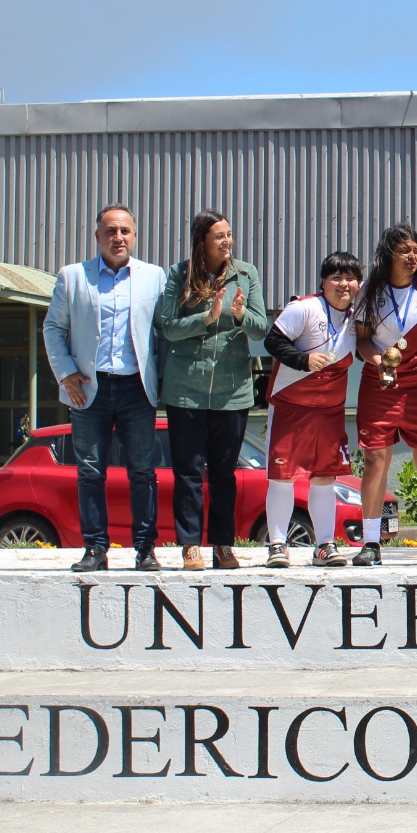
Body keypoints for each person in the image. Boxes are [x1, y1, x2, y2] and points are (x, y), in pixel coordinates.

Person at [42, 205, 166, 573]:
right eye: (110, 231)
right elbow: (53, 328)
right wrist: (65, 374)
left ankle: (145, 549)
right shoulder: (73, 276)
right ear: (98, 236)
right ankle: (95, 548)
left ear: (135, 236)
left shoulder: (153, 277)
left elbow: (163, 333)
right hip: (88, 387)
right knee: (90, 471)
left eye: (125, 231)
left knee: (143, 472)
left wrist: (163, 381)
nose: (118, 238)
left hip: (136, 388)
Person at [156, 209, 269, 571]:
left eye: (229, 234)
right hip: (185, 389)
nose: (227, 241)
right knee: (187, 472)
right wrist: (205, 318)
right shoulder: (180, 273)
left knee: (223, 473)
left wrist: (238, 315)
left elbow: (261, 327)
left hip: (231, 390)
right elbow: (168, 327)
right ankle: (190, 546)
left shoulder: (246, 273)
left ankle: (222, 545)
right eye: (219, 236)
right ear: (202, 240)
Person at [352, 225, 417, 567]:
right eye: (404, 251)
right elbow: (362, 341)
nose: (412, 257)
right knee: (376, 460)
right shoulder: (370, 290)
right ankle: (370, 544)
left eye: (416, 250)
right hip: (380, 384)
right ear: (388, 254)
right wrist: (379, 362)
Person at [260, 252, 363, 568]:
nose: (343, 284)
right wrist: (303, 360)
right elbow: (272, 342)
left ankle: (324, 545)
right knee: (282, 477)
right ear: (323, 281)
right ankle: (278, 544)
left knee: (324, 479)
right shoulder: (304, 308)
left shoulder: (357, 317)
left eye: (350, 278)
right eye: (336, 277)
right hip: (291, 408)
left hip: (330, 412)